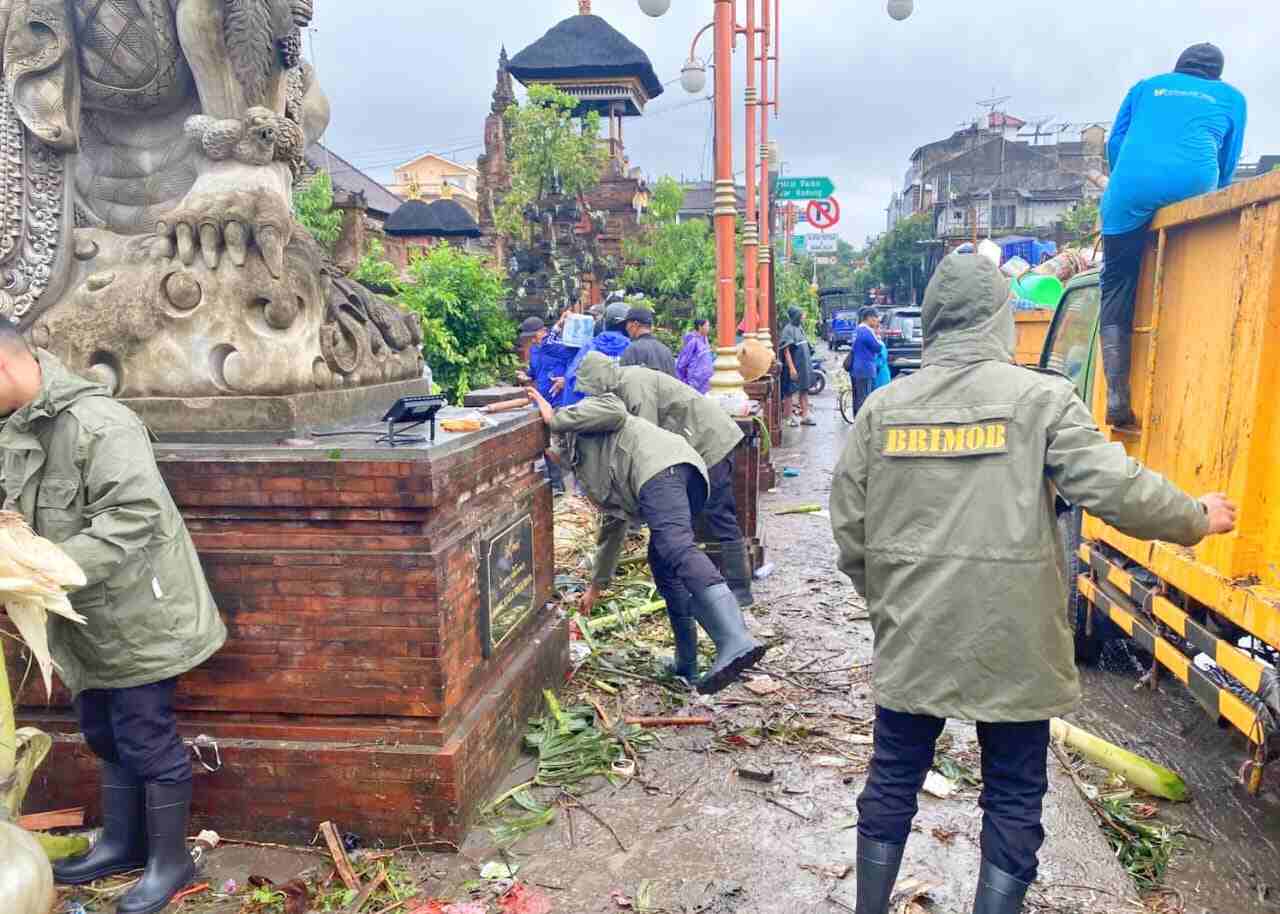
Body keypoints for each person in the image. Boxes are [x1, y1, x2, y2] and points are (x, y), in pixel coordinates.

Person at [829, 252, 1237, 914]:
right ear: (998, 316)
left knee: (894, 776)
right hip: (1013, 635)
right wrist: (1196, 516)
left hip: (914, 629)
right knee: (1015, 788)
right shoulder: (1040, 400)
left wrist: (887, 599)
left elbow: (849, 523)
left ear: (932, 320)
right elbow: (1115, 488)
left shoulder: (883, 410)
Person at [0, 329, 227, 914]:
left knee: (145, 735)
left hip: (138, 613)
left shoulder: (100, 424)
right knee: (102, 729)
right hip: (80, 615)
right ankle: (125, 844)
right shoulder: (19, 423)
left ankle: (171, 862)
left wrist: (45, 568)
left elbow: (135, 515)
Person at [525, 385, 765, 694]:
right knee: (664, 565)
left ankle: (735, 638)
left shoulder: (584, 426)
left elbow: (614, 406)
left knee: (675, 547)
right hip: (679, 478)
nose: (551, 458)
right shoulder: (586, 467)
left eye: (548, 450)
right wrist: (596, 586)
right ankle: (687, 664)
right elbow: (613, 527)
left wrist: (555, 415)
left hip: (662, 471)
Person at [1100, 43, 1247, 428]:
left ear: (1178, 68)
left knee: (1116, 282)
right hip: (1194, 184)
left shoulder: (1147, 86)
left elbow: (1114, 144)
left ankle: (1117, 397)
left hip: (1131, 186)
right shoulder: (1233, 98)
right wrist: (1212, 201)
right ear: (1216, 73)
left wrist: (1126, 179)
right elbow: (1228, 161)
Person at [573, 351, 755, 616]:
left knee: (718, 514)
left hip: (709, 441)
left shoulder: (634, 384)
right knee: (685, 526)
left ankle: (740, 590)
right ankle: (697, 590)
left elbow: (646, 444)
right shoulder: (622, 387)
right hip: (690, 449)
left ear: (600, 382)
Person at [518, 315, 576, 494]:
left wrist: (566, 380)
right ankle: (556, 484)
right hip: (542, 401)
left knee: (564, 443)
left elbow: (577, 364)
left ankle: (577, 486)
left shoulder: (557, 344)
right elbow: (534, 372)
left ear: (543, 331)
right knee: (546, 443)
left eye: (535, 335)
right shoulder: (535, 349)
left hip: (559, 401)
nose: (533, 339)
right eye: (531, 337)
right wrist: (526, 376)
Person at [561, 302, 632, 406]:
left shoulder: (590, 345)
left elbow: (571, 377)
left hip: (587, 409)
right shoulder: (632, 348)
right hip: (619, 411)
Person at [779, 307, 815, 427]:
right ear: (795, 316)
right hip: (795, 365)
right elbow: (786, 350)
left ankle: (805, 415)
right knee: (789, 391)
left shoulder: (799, 328)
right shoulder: (787, 330)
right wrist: (791, 368)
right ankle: (789, 417)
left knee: (804, 389)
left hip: (804, 364)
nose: (803, 317)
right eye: (801, 315)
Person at [619, 306, 677, 376]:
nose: (626, 328)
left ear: (635, 324)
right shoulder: (667, 351)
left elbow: (622, 380)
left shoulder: (633, 350)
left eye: (627, 324)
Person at [849, 308, 881, 415]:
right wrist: (878, 338)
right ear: (870, 318)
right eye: (876, 319)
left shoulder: (857, 330)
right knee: (865, 398)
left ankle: (857, 418)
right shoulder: (866, 331)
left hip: (856, 367)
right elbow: (877, 347)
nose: (877, 322)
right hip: (865, 368)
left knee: (858, 396)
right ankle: (862, 422)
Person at [675, 318, 715, 395]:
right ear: (700, 327)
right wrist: (682, 380)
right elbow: (683, 361)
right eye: (707, 326)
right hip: (695, 381)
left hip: (706, 381)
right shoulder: (693, 341)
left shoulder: (705, 338)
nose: (708, 328)